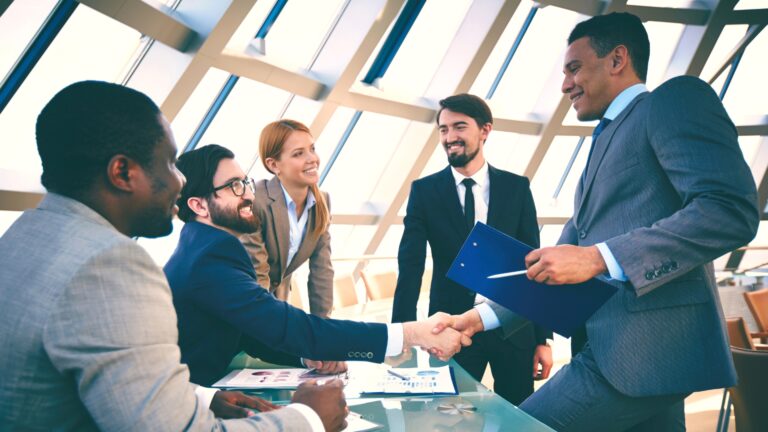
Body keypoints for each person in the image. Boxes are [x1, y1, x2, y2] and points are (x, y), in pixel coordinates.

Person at [435, 12, 759, 431]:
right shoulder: (605, 137)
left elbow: (729, 210)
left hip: (642, 351)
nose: (565, 84)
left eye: (574, 68)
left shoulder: (672, 101)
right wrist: (479, 318)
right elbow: (550, 265)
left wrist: (598, 258)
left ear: (617, 59)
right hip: (631, 359)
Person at [0, 80, 350, 431]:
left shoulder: (20, 239)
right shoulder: (109, 265)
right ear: (122, 172)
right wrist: (308, 418)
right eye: (168, 164)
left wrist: (200, 397)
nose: (180, 182)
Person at [165, 144, 470, 387]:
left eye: (245, 182)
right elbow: (286, 325)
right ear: (199, 205)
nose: (248, 194)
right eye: (234, 186)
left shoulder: (205, 247)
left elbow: (251, 332)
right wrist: (412, 333)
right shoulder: (211, 257)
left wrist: (306, 357)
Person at [391, 93, 553, 405]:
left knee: (518, 419)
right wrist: (404, 335)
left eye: (459, 127)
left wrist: (542, 338)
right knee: (447, 418)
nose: (449, 137)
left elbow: (533, 263)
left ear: (485, 130)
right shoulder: (423, 191)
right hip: (450, 328)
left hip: (513, 326)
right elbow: (409, 266)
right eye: (443, 129)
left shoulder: (516, 188)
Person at [241, 120, 334, 317]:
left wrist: (323, 328)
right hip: (245, 307)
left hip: (277, 303)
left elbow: (322, 271)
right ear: (274, 165)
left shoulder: (322, 202)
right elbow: (258, 274)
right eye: (298, 153)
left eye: (312, 149)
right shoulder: (256, 200)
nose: (312, 159)